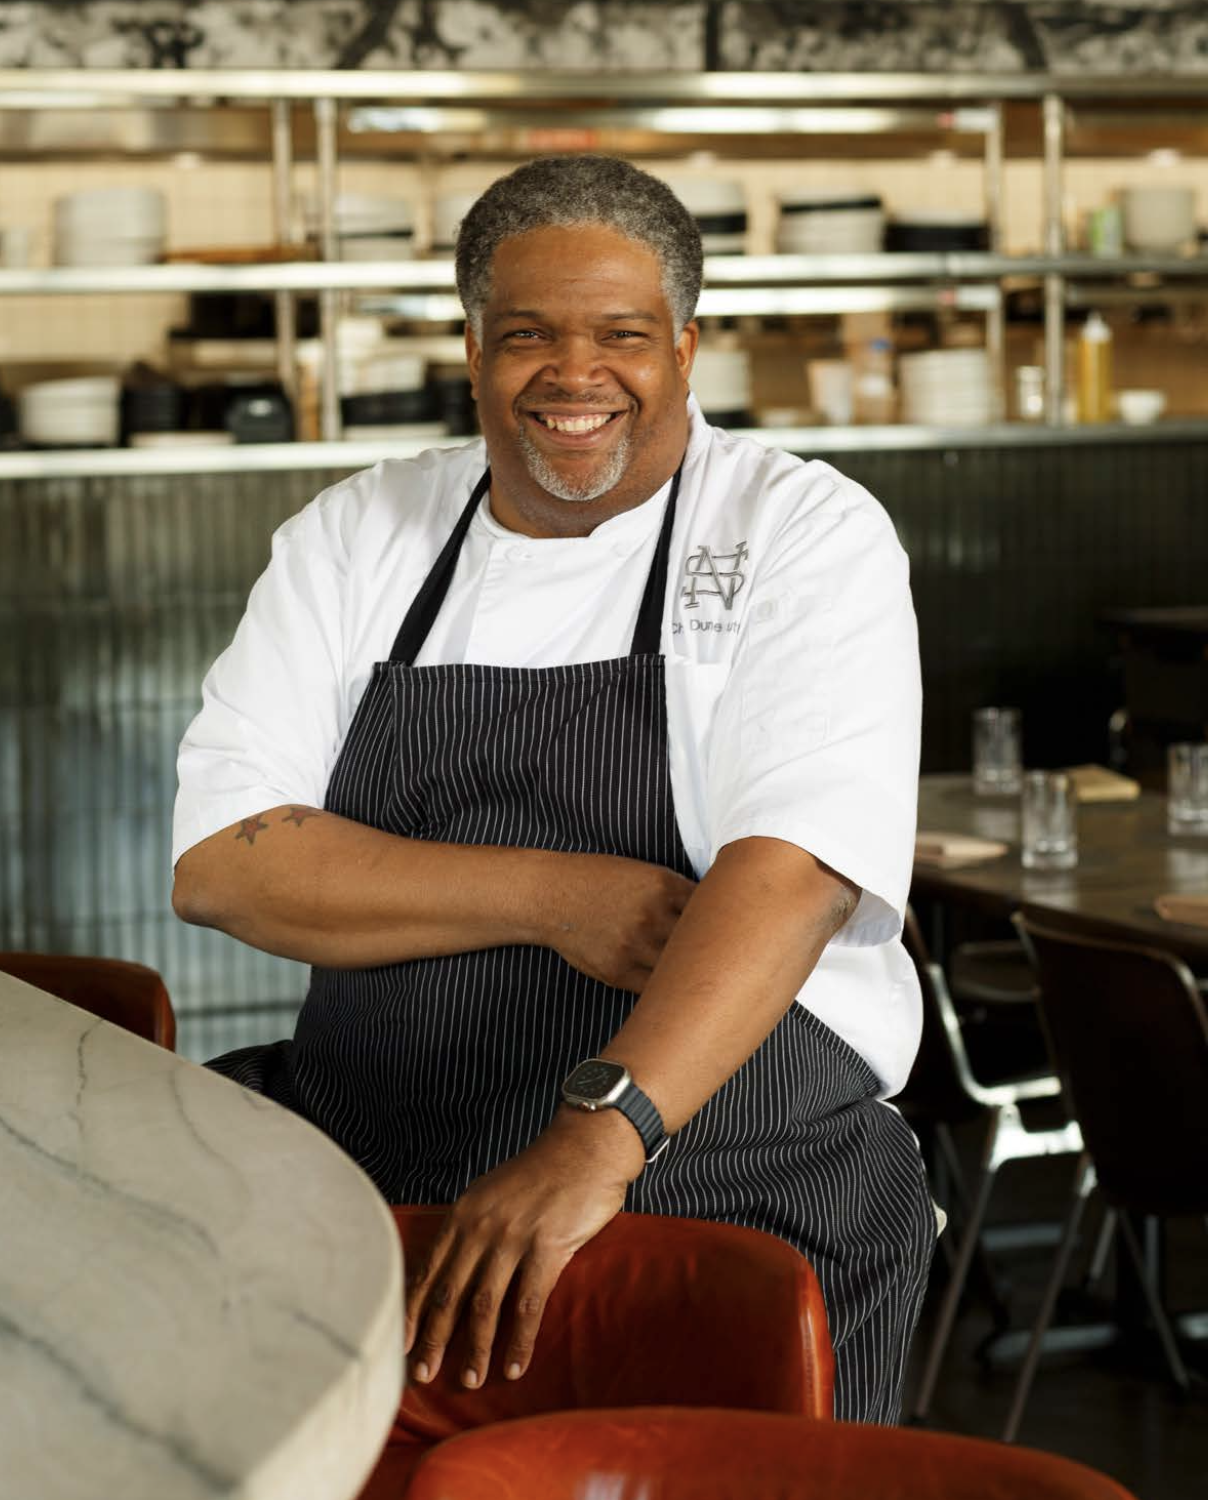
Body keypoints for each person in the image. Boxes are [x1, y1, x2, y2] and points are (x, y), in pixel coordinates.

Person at [172, 154, 935, 1423]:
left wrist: (600, 1135)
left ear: (684, 350)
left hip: (714, 1155)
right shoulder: (357, 536)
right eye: (528, 334)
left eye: (622, 336)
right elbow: (226, 866)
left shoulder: (799, 530)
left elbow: (793, 876)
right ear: (474, 352)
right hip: (382, 1153)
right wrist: (557, 896)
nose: (576, 375)